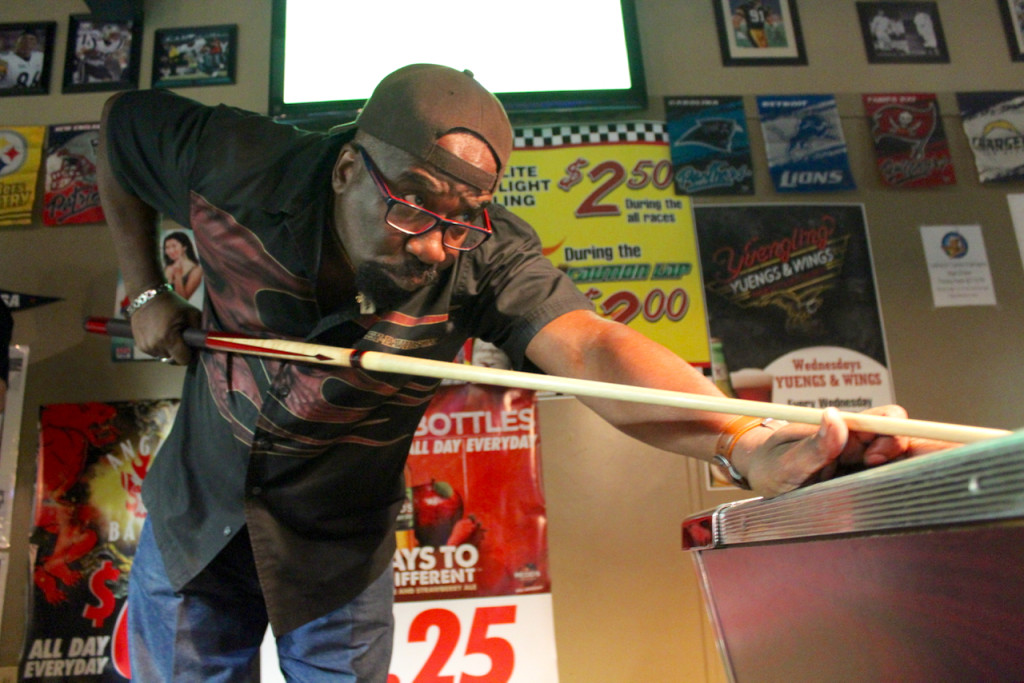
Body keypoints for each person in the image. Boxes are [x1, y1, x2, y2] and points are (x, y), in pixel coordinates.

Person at [96, 63, 951, 680]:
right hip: (195, 517)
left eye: (461, 219)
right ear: (352, 167)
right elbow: (117, 127)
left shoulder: (483, 255)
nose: (434, 240)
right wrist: (141, 289)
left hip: (335, 547)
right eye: (412, 206)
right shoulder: (236, 160)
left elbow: (588, 346)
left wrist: (744, 437)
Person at [161, 231, 204, 305]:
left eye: (174, 246)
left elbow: (183, 300)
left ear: (184, 247)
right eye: (167, 248)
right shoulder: (168, 268)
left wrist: (178, 276)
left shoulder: (196, 270)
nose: (170, 251)